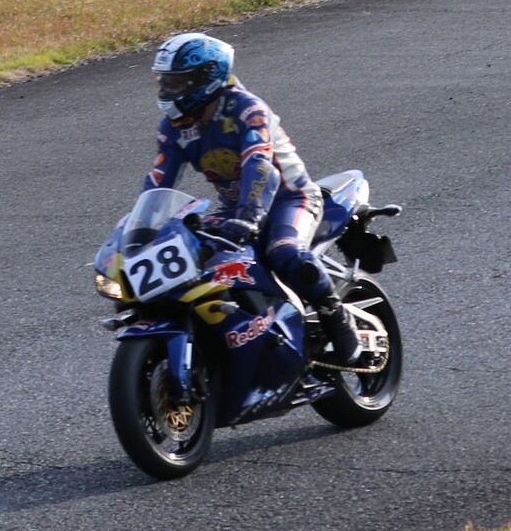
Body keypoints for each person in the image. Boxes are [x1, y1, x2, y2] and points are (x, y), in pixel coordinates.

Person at [143, 32, 375, 367]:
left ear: (207, 78)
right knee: (193, 251)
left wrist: (249, 218)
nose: (168, 90)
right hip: (235, 208)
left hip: (291, 199)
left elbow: (260, 166)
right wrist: (143, 230)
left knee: (284, 251)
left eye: (178, 82)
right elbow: (158, 181)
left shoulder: (247, 110)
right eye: (164, 81)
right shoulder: (175, 127)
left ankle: (336, 319)